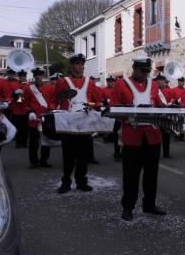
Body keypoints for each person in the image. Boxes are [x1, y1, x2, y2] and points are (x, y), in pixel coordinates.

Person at [114, 57, 166, 221]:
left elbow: (158, 104)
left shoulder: (154, 85)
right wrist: (127, 112)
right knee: (131, 176)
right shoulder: (121, 84)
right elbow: (114, 107)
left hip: (152, 137)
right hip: (132, 138)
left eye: (147, 71)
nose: (145, 74)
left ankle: (149, 204)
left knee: (152, 174)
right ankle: (128, 207)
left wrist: (171, 107)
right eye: (142, 71)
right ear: (134, 68)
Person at [54, 53, 99, 194]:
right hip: (68, 122)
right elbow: (56, 100)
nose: (79, 66)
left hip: (84, 122)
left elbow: (95, 101)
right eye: (77, 64)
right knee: (68, 155)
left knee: (83, 156)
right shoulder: (63, 81)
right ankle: (66, 182)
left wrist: (89, 106)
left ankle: (81, 182)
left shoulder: (90, 83)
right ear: (72, 66)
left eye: (81, 64)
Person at [23, 67, 55, 169]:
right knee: (33, 142)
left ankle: (44, 160)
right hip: (34, 119)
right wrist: (29, 111)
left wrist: (50, 109)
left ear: (43, 76)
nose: (38, 77)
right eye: (36, 75)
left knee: (46, 141)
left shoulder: (49, 88)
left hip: (46, 118)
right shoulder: (28, 88)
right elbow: (24, 103)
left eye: (40, 75)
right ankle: (33, 162)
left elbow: (53, 101)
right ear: (33, 76)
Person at [6, 68, 29, 148]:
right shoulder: (13, 84)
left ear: (26, 76)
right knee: (18, 127)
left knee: (26, 127)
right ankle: (18, 142)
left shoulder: (29, 85)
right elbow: (9, 96)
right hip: (16, 109)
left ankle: (25, 142)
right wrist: (14, 93)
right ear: (18, 76)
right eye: (20, 76)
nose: (22, 77)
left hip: (26, 109)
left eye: (24, 76)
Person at [101, 76, 122, 161]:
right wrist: (105, 100)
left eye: (113, 81)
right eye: (109, 81)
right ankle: (117, 153)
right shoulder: (104, 90)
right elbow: (100, 99)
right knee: (116, 134)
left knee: (121, 135)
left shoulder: (118, 90)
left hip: (120, 114)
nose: (111, 82)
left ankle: (121, 153)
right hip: (109, 112)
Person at [154, 74, 173, 158]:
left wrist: (171, 103)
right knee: (156, 136)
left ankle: (166, 153)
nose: (161, 82)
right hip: (157, 116)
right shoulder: (153, 90)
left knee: (166, 135)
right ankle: (156, 153)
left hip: (166, 115)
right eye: (160, 80)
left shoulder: (168, 90)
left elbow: (171, 100)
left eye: (162, 80)